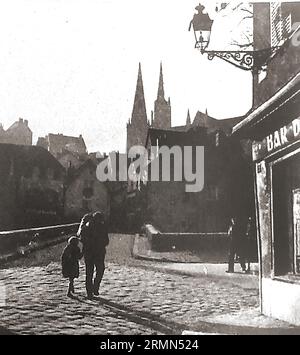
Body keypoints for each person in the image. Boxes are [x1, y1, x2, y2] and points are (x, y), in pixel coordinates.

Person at [78, 211, 109, 299]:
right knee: (97, 270)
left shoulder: (92, 227)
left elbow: (106, 240)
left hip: (92, 252)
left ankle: (91, 290)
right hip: (96, 252)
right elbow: (106, 241)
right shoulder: (94, 227)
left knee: (92, 271)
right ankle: (93, 289)